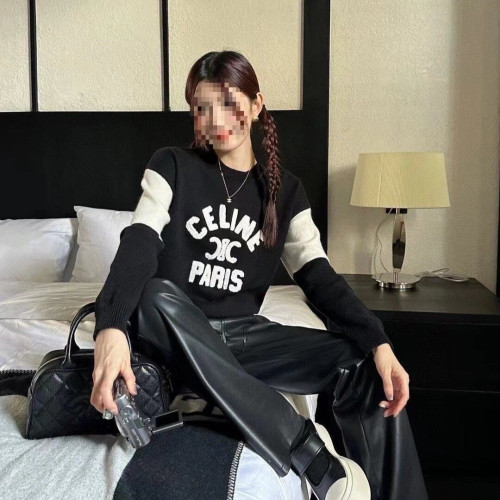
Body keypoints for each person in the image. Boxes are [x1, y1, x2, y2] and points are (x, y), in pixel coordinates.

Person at [90, 50, 429, 500]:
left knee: (363, 365)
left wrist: (378, 341)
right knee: (154, 294)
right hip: (177, 338)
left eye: (229, 104)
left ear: (255, 104)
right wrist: (111, 325)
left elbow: (319, 277)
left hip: (244, 337)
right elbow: (139, 245)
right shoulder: (171, 166)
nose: (216, 120)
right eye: (201, 108)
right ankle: (309, 453)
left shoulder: (286, 192)